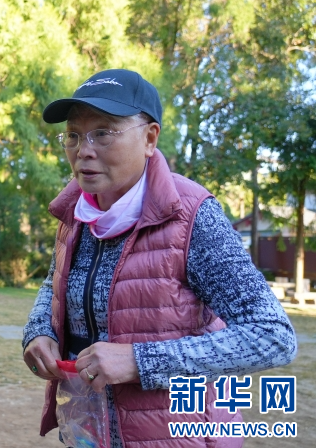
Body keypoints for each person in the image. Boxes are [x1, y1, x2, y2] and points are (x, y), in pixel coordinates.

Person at [22, 69, 298, 447]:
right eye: (73, 135)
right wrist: (39, 330)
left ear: (150, 138)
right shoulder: (76, 214)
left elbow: (272, 336)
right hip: (88, 432)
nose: (83, 149)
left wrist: (140, 361)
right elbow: (55, 282)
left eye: (103, 132)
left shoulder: (192, 216)